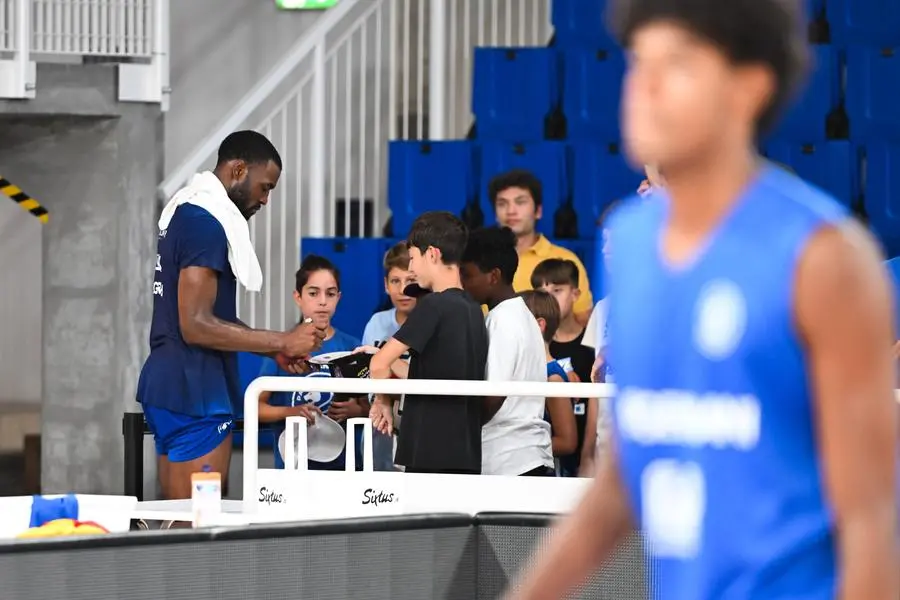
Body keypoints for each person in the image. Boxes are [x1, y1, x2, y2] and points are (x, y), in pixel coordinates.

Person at [507, 0, 899, 598]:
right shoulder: (635, 242)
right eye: (639, 62)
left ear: (748, 88)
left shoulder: (824, 259)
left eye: (678, 64)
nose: (646, 85)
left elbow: (873, 514)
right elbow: (629, 471)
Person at [137, 130, 325, 501]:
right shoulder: (206, 222)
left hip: (171, 382)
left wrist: (273, 352)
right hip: (195, 389)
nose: (265, 200)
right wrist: (283, 339)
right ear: (239, 170)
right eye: (265, 187)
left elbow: (213, 315)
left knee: (177, 522)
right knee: (196, 528)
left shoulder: (189, 212)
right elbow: (195, 325)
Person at [367, 212, 489, 474]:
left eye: (412, 258)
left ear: (432, 254)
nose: (411, 269)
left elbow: (378, 364)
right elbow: (438, 374)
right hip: (466, 450)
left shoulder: (433, 305)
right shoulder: (474, 309)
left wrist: (383, 402)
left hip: (428, 447)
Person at [257, 255, 365, 470]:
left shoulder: (353, 346)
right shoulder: (284, 347)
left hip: (346, 470)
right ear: (298, 297)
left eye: (330, 294)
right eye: (313, 293)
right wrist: (291, 412)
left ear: (339, 297)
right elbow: (256, 406)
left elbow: (370, 407)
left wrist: (356, 411)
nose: (323, 301)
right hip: (294, 470)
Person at [460, 227, 554, 477]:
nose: (463, 284)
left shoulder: (503, 320)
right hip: (525, 455)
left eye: (468, 275)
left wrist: (455, 432)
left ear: (493, 276)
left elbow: (493, 397)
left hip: (510, 460)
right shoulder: (520, 315)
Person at [489, 170, 593, 323]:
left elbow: (583, 320)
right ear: (495, 213)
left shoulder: (565, 259)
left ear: (538, 211)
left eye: (520, 202)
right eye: (502, 203)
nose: (511, 211)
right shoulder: (482, 260)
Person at [360, 242, 418, 471]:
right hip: (378, 429)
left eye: (410, 281)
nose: (403, 289)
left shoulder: (431, 322)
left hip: (415, 429)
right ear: (385, 285)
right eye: (395, 281)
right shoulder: (377, 323)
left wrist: (385, 360)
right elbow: (366, 382)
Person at [518, 289, 579, 470]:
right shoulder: (533, 371)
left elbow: (568, 441)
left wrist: (519, 449)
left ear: (539, 325)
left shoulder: (552, 377)